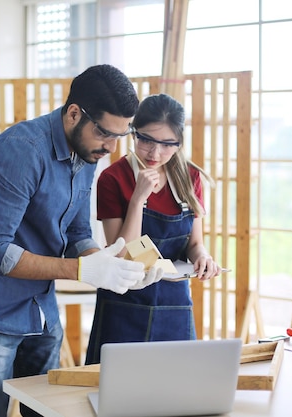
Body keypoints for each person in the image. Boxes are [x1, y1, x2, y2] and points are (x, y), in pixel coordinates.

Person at [0, 64, 164, 417]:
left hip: (41, 313)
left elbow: (78, 233)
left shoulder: (87, 152)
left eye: (119, 137)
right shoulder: (21, 152)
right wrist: (83, 270)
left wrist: (108, 264)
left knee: (46, 412)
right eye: (105, 134)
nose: (110, 148)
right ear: (74, 113)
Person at [85, 93, 223, 364]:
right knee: (115, 393)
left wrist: (203, 258)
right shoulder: (112, 178)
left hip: (175, 304)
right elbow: (121, 255)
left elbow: (194, 244)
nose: (155, 153)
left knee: (177, 393)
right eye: (146, 140)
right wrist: (137, 199)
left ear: (179, 143)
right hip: (124, 305)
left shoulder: (190, 177)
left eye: (167, 144)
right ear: (134, 134)